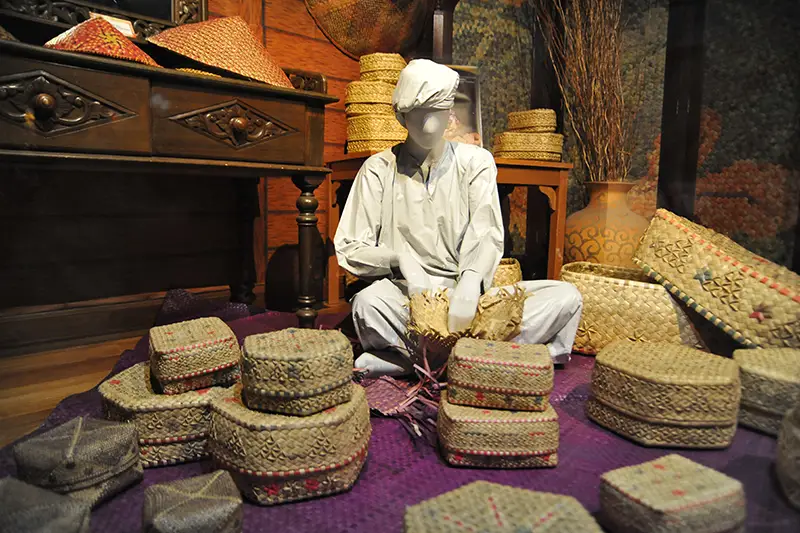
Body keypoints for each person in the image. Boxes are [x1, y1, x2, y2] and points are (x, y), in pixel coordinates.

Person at [334, 59, 582, 378]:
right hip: (410, 300)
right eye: (418, 113)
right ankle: (487, 359)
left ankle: (413, 363)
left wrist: (469, 281)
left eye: (437, 112)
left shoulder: (475, 162)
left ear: (450, 114)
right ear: (401, 115)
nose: (429, 124)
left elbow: (485, 232)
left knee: (565, 297)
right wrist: (400, 260)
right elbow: (351, 247)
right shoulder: (378, 169)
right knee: (368, 305)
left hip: (470, 299)